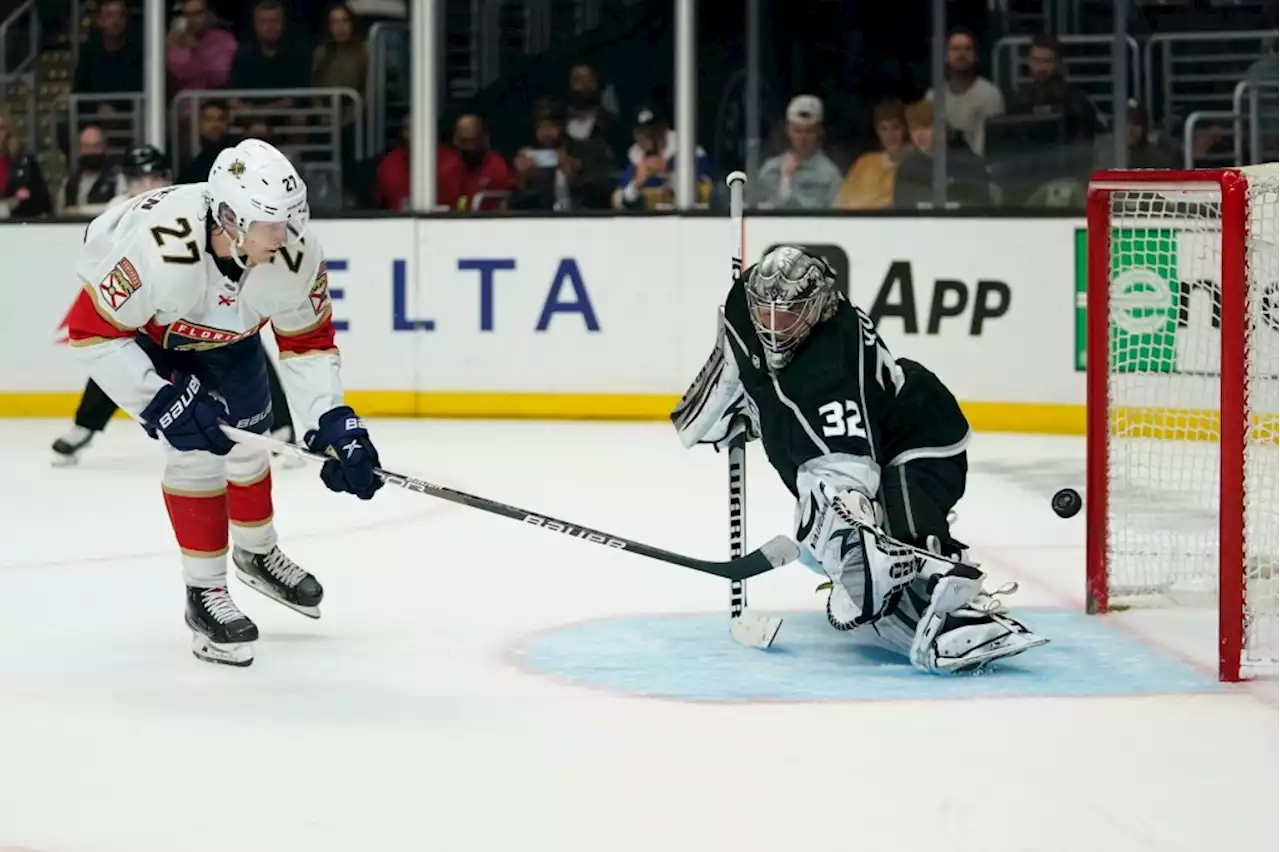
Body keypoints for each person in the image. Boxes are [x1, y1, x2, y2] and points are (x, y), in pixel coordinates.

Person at [63, 138, 384, 668]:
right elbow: (91, 331)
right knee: (196, 452)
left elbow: (307, 342)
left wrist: (332, 419)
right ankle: (204, 593)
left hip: (226, 337)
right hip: (149, 331)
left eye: (289, 219)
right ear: (229, 220)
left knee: (250, 439)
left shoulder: (293, 252)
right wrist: (160, 399)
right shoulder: (159, 252)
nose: (283, 238)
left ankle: (256, 551)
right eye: (268, 224)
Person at [671, 245, 1046, 674]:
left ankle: (939, 588)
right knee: (837, 528)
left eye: (788, 315)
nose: (774, 326)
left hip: (919, 436)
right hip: (877, 431)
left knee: (894, 524)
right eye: (766, 313)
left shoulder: (829, 367)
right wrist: (727, 412)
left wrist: (854, 542)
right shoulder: (744, 303)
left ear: (815, 310)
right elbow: (730, 367)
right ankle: (888, 581)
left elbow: (850, 475)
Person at [51, 145, 300, 470]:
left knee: (240, 337)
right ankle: (87, 423)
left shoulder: (193, 203)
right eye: (139, 178)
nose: (147, 184)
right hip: (153, 309)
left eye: (155, 176)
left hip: (199, 296)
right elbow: (99, 331)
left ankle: (278, 424)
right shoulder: (124, 215)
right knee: (118, 352)